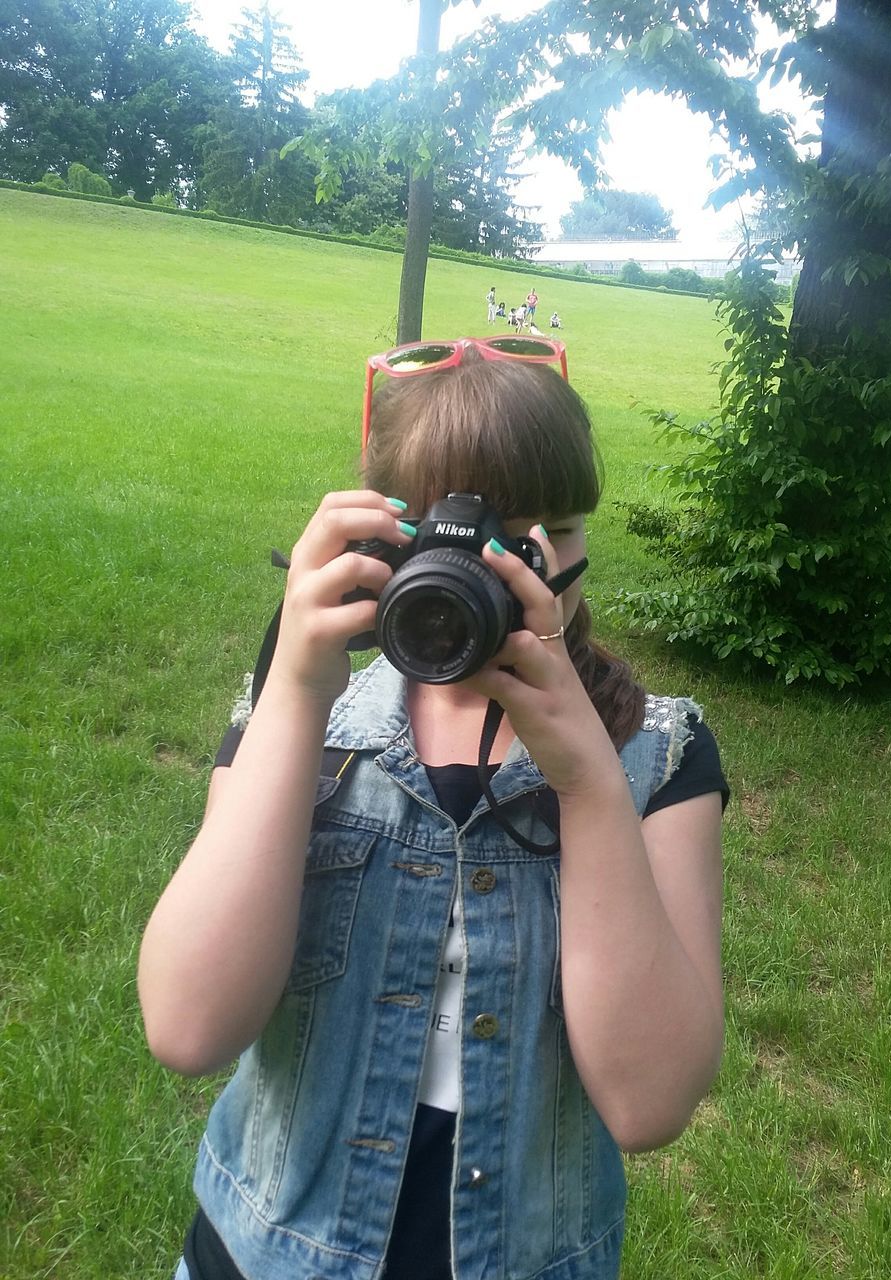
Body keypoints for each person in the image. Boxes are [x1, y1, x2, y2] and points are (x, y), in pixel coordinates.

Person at [139, 335, 727, 1280]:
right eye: (469, 541)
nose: (512, 578)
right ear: (378, 540)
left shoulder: (656, 753)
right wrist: (294, 690)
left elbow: (650, 1104)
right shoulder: (301, 720)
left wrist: (587, 784)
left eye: (552, 535)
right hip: (262, 1253)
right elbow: (188, 1027)